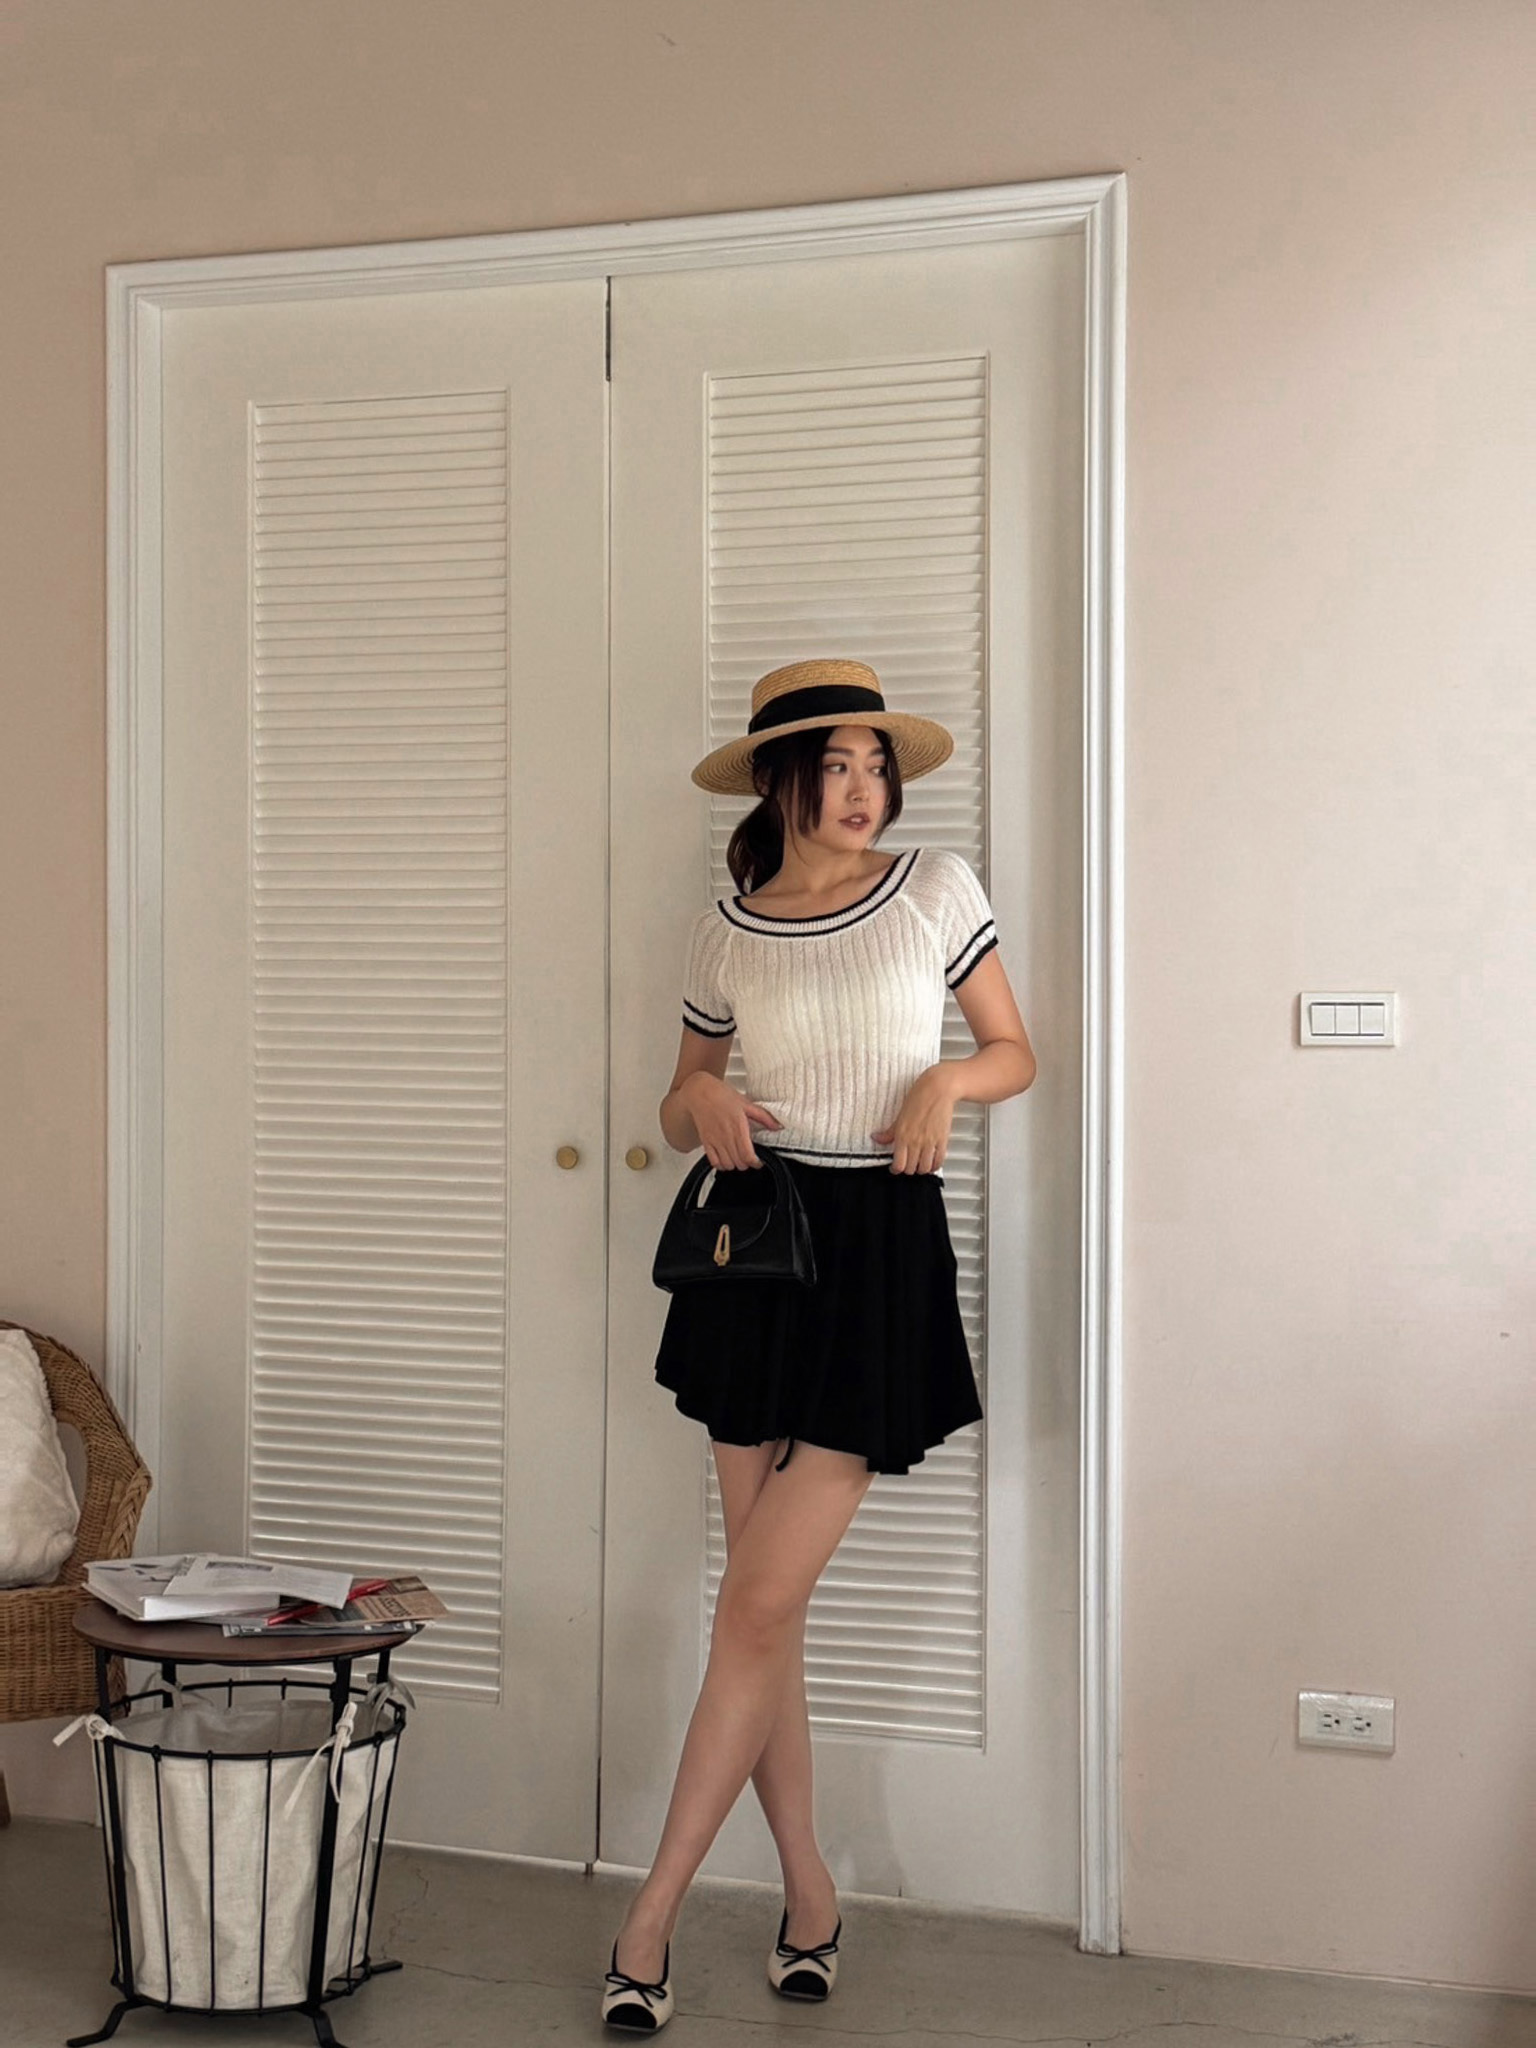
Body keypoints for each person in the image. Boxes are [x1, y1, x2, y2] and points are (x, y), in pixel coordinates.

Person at [601, 658, 1036, 2031]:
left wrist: (948, 1078)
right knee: (762, 1609)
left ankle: (650, 1917)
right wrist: (704, 1109)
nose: (864, 789)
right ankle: (810, 1895)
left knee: (752, 1607)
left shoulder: (935, 889)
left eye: (875, 765)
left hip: (879, 1250)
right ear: (781, 779)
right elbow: (678, 1094)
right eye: (837, 764)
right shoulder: (724, 928)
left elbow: (1016, 1051)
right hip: (755, 1245)